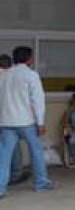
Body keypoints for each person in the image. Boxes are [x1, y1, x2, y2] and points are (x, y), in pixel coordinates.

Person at [0, 46, 56, 197]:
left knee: (4, 156)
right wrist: (41, 122)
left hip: (6, 122)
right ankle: (40, 182)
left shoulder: (3, 75)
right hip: (26, 122)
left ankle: (0, 188)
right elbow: (38, 100)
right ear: (29, 59)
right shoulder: (31, 75)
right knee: (36, 152)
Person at [0, 55, 29, 186]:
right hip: (9, 119)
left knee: (5, 150)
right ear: (10, 64)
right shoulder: (12, 77)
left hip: (5, 118)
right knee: (13, 149)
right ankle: (15, 174)